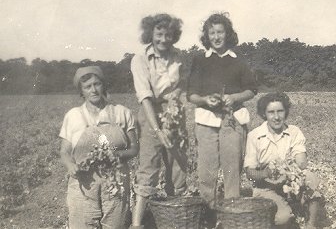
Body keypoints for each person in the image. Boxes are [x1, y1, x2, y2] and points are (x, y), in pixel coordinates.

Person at [187, 13, 258, 225]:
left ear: (227, 34)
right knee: (206, 171)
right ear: (207, 36)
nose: (216, 36)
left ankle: (231, 217)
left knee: (231, 170)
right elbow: (191, 94)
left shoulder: (238, 60)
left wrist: (235, 97)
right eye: (212, 33)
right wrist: (205, 100)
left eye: (220, 32)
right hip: (206, 121)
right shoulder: (200, 60)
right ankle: (208, 218)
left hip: (232, 120)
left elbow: (252, 89)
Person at [59, 66, 139, 229]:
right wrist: (70, 165)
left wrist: (117, 155)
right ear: (81, 91)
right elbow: (64, 152)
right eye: (87, 87)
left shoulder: (121, 113)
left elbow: (134, 148)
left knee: (116, 224)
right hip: (84, 183)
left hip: (115, 182)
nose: (94, 90)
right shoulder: (73, 116)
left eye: (97, 84)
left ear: (104, 85)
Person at [130, 13, 187, 229]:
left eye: (168, 35)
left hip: (174, 112)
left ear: (174, 36)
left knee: (178, 164)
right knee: (148, 166)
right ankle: (136, 224)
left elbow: (182, 84)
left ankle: (177, 218)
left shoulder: (179, 56)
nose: (164, 39)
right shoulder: (140, 59)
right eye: (159, 34)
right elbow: (144, 95)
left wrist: (174, 100)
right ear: (150, 34)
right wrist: (157, 129)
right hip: (150, 111)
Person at [244, 92, 321, 229]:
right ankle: (287, 207)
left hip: (289, 181)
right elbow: (250, 172)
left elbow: (301, 162)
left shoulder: (294, 131)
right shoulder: (254, 136)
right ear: (264, 114)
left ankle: (311, 225)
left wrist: (297, 162)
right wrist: (267, 173)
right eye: (271, 112)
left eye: (280, 111)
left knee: (311, 177)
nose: (276, 117)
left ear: (286, 112)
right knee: (281, 219)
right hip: (266, 186)